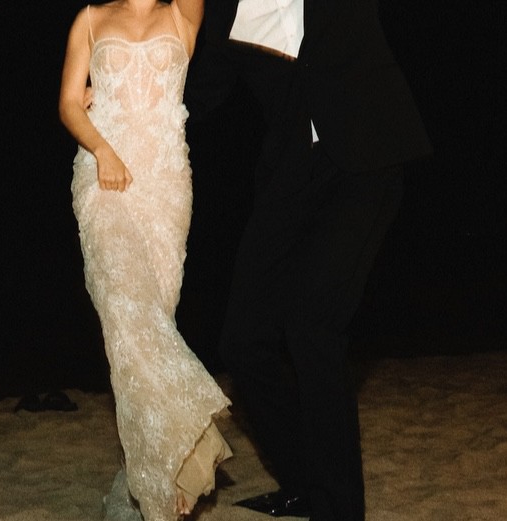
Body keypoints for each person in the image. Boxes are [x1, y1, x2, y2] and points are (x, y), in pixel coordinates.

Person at [185, 1, 433, 520]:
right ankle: (302, 483)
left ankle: (339, 508)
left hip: (366, 163)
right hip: (292, 175)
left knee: (313, 325)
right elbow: (197, 98)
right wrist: (116, 108)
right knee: (243, 340)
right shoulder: (224, 11)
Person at [58, 1, 232, 520]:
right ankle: (187, 450)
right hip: (103, 178)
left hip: (164, 187)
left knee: (150, 330)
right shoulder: (90, 19)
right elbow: (69, 104)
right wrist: (103, 150)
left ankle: (145, 484)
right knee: (127, 316)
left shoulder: (182, 16)